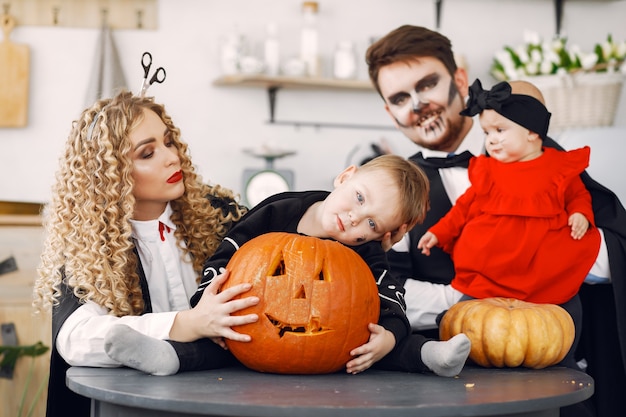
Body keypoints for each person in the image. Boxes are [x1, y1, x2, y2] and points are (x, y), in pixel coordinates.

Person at [366, 24, 626, 417]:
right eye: (401, 97)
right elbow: (383, 288)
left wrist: (540, 257)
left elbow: (613, 255)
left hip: (550, 375)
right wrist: (467, 302)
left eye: (427, 84)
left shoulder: (542, 156)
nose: (418, 104)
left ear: (459, 79)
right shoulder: (395, 186)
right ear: (390, 111)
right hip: (441, 388)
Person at [103, 154, 471, 377]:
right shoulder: (279, 209)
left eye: (373, 223)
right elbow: (227, 252)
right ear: (345, 177)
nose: (355, 220)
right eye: (358, 198)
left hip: (338, 351)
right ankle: (164, 355)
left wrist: (389, 336)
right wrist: (206, 305)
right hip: (248, 327)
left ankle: (430, 356)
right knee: (215, 345)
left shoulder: (369, 250)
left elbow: (390, 297)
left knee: (381, 348)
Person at [32, 91, 258, 417]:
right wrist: (185, 324)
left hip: (224, 396)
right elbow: (76, 339)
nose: (172, 157)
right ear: (108, 175)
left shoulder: (218, 214)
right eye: (148, 152)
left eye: (169, 142)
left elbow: (284, 237)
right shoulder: (89, 248)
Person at [417, 78, 601, 308]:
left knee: (563, 296)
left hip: (541, 256)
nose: (491, 140)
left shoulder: (558, 166)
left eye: (500, 130)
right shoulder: (488, 170)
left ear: (532, 131)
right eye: (486, 132)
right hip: (492, 257)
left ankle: (555, 311)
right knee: (475, 302)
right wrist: (439, 232)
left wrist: (580, 213)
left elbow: (578, 195)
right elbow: (463, 207)